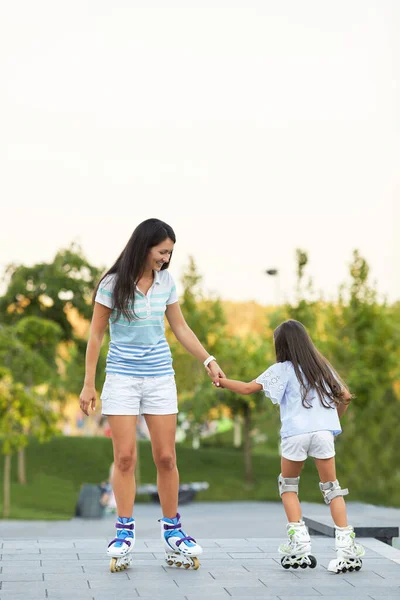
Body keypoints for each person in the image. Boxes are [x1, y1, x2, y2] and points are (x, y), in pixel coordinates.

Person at [79, 218, 224, 572]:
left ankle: (172, 530)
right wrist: (88, 383)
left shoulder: (166, 282)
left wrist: (208, 359)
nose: (166, 259)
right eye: (162, 252)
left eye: (170, 253)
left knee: (166, 458)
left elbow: (180, 327)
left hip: (160, 377)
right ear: (144, 247)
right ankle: (124, 531)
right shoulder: (112, 284)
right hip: (122, 379)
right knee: (125, 458)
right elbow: (96, 336)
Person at [213, 319, 365, 573]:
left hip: (296, 434)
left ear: (281, 345)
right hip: (323, 434)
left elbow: (248, 388)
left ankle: (300, 545)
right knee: (331, 488)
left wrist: (221, 381)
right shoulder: (322, 367)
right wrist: (330, 422)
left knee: (288, 485)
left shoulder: (282, 369)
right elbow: (346, 396)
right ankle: (347, 548)